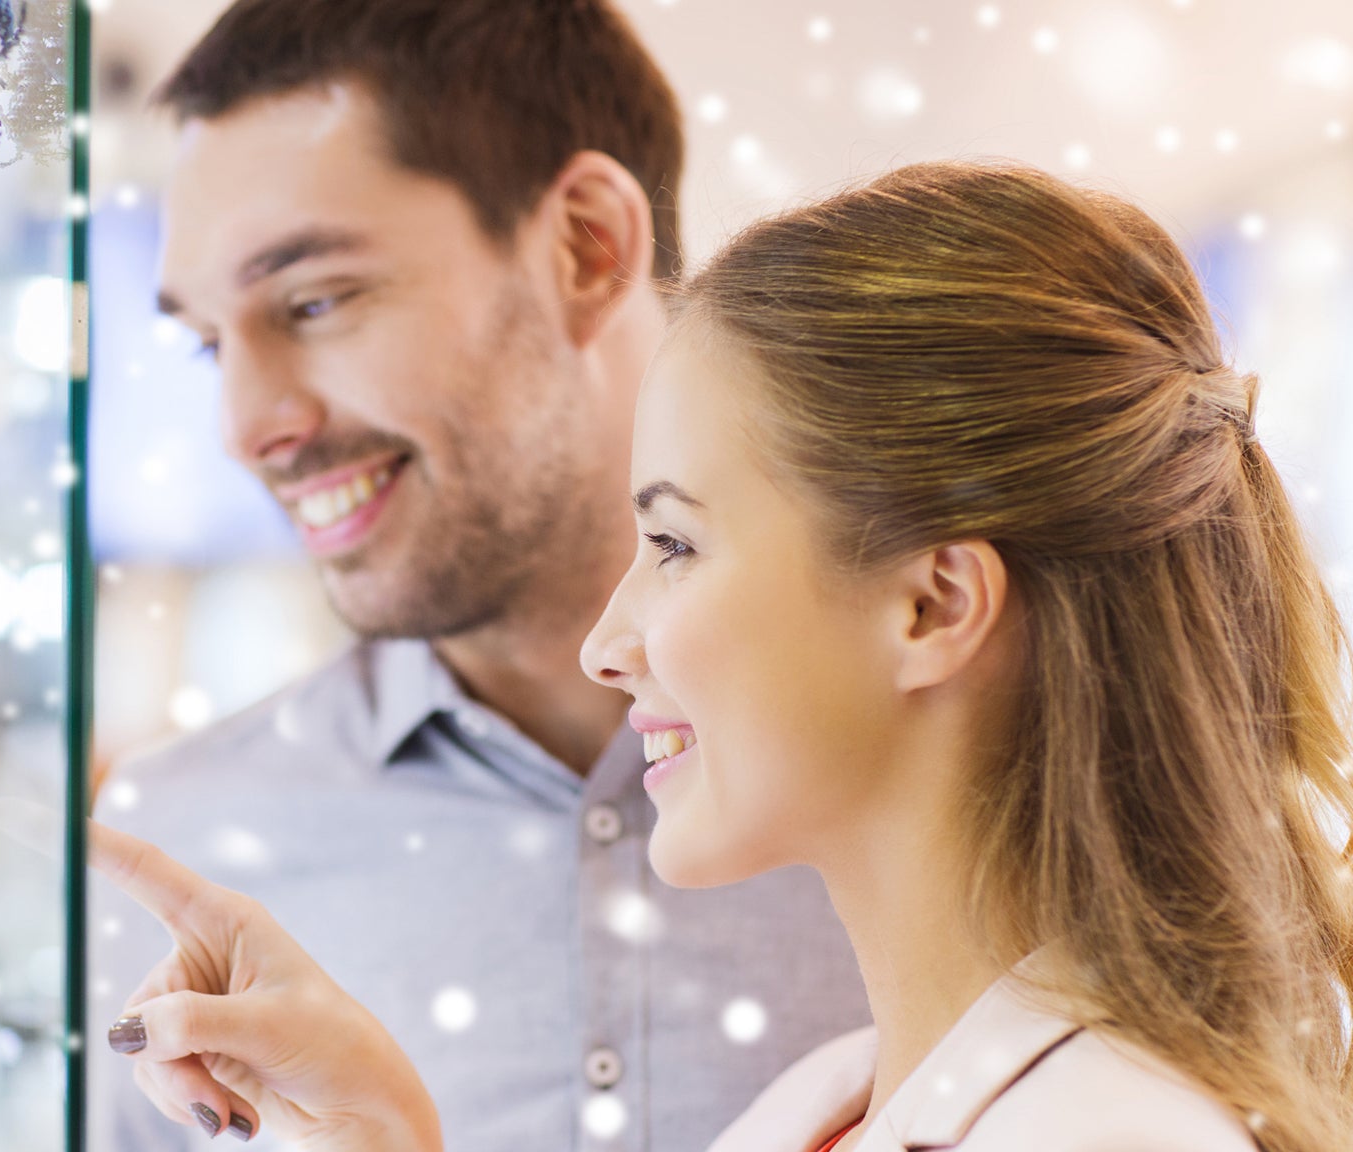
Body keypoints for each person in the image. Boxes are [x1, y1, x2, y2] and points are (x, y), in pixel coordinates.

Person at [91, 160, 1353, 1152]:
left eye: (675, 544)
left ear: (929, 605)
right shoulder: (829, 1103)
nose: (606, 641)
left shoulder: (1104, 1138)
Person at [89, 0, 868, 1148]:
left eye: (314, 301)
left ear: (584, 248)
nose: (246, 425)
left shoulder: (955, 758)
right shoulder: (189, 851)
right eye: (212, 343)